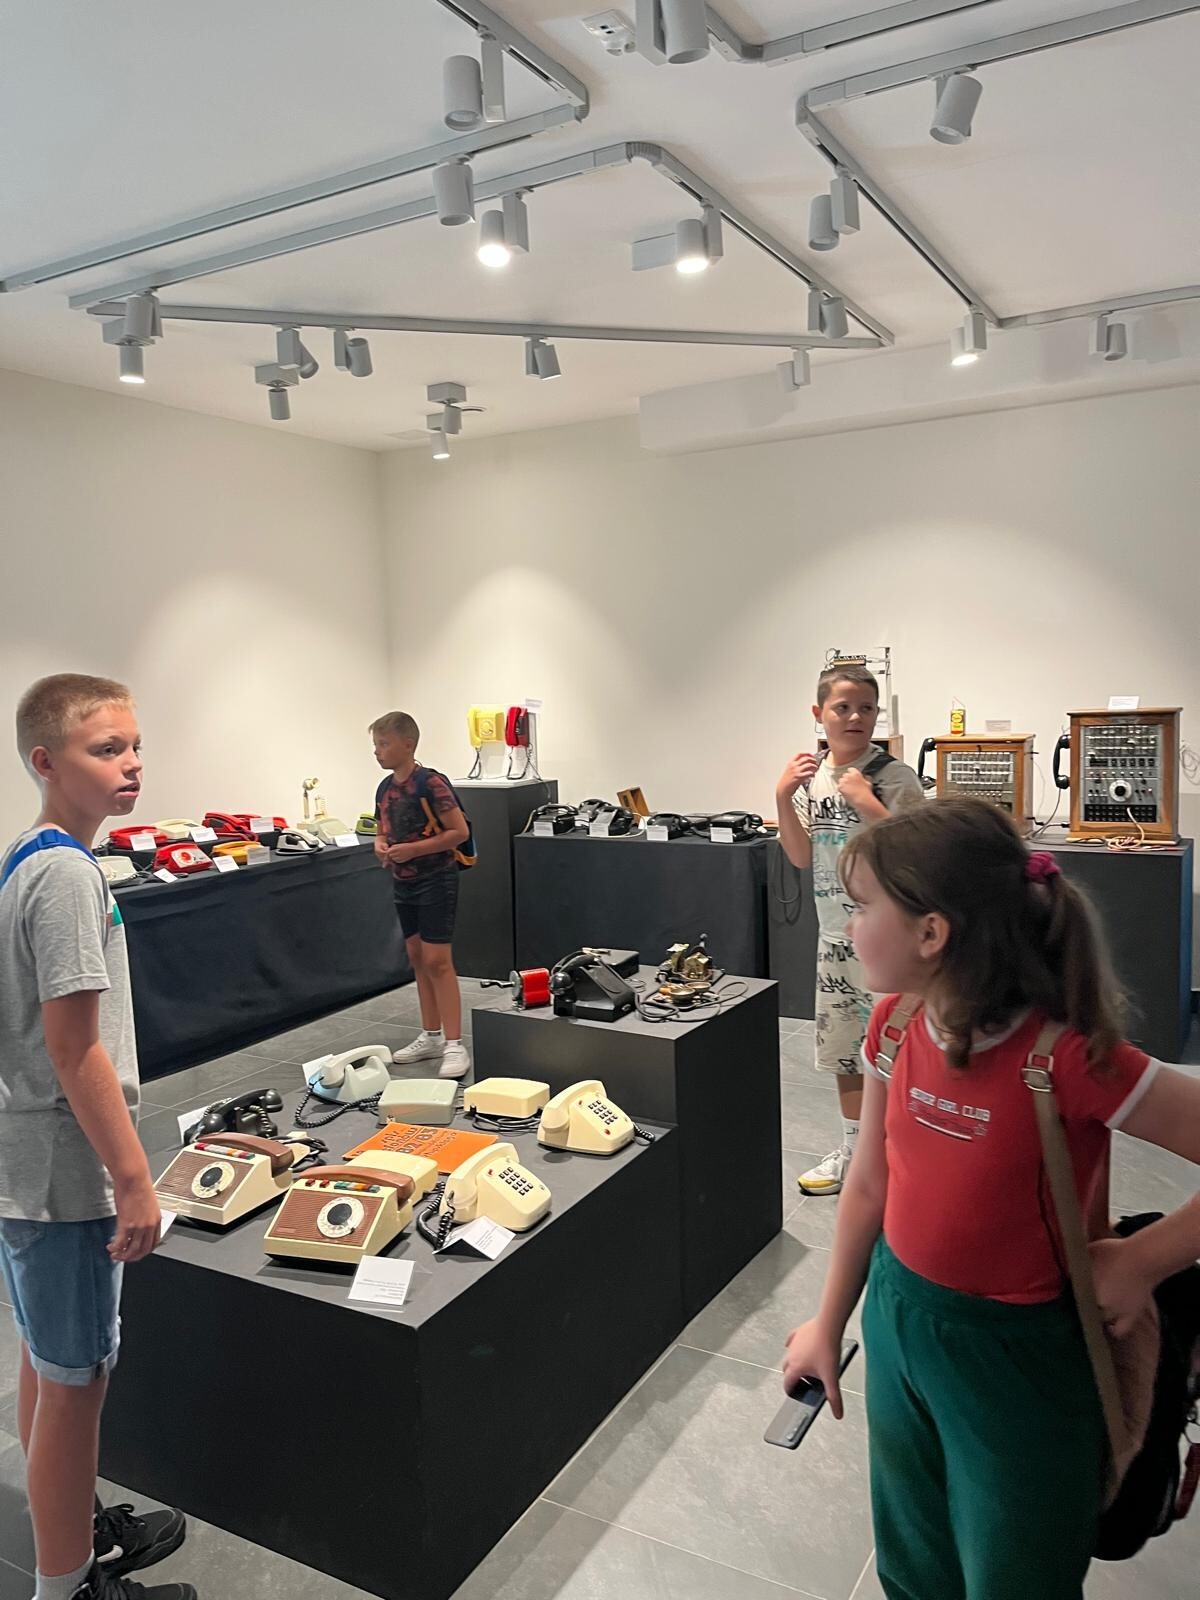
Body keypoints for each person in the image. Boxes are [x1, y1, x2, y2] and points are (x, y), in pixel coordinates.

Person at [782, 797, 1200, 1600]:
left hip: (1021, 1360)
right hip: (898, 1326)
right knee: (913, 1562)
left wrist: (1144, 1260)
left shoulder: (1066, 1058)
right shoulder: (892, 1025)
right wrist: (828, 1321)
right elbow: (868, 1182)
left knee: (1017, 1574)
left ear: (931, 933)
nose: (849, 927)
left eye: (862, 907)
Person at [1, 675, 195, 1600]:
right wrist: (133, 1178)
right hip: (63, 1173)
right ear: (46, 762)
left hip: (30, 1166)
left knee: (51, 1369)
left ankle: (72, 1530)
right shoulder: (68, 877)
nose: (131, 765)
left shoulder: (30, 858)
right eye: (106, 750)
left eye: (134, 747)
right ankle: (67, 1585)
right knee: (77, 1384)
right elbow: (75, 1047)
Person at [775, 664, 923, 1195]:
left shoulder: (896, 778)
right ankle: (855, 1153)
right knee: (844, 1050)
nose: (855, 717)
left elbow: (920, 853)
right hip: (836, 936)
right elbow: (799, 855)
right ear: (819, 714)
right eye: (843, 707)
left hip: (893, 940)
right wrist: (781, 796)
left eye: (866, 708)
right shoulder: (813, 776)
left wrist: (867, 803)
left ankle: (907, 1159)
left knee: (903, 1051)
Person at [370, 711, 472, 1080]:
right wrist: (381, 847)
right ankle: (431, 1035)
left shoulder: (431, 783)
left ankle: (454, 1043)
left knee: (438, 961)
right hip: (404, 883)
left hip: (436, 880)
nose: (377, 752)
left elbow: (458, 832)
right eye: (376, 745)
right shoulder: (384, 788)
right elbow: (382, 831)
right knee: (417, 957)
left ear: (408, 744)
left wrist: (414, 850)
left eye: (384, 744)